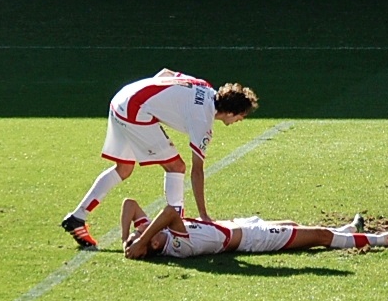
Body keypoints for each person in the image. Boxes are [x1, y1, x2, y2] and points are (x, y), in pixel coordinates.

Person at [61, 71, 259, 248]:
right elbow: (196, 171)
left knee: (123, 168)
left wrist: (157, 104)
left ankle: (77, 217)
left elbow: (165, 74)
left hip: (122, 98)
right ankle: (177, 222)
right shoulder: (203, 122)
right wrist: (204, 216)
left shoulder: (204, 85)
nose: (239, 121)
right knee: (176, 167)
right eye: (241, 116)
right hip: (134, 110)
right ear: (232, 112)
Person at [121, 199, 388, 259]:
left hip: (237, 225)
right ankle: (387, 240)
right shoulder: (175, 245)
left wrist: (128, 240)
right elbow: (170, 212)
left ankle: (345, 230)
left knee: (294, 226)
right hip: (251, 240)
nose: (144, 230)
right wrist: (140, 242)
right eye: (144, 237)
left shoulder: (156, 235)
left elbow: (130, 204)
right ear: (156, 247)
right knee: (317, 235)